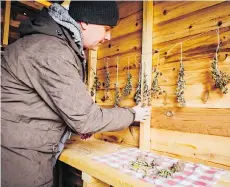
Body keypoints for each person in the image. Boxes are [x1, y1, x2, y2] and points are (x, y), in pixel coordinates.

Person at [1, 1, 150, 187]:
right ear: (85, 22)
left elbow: (36, 105)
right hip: (17, 156)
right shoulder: (52, 51)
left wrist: (73, 125)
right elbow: (86, 118)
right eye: (106, 28)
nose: (109, 36)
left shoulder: (48, 43)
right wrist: (132, 114)